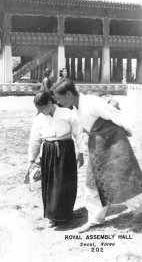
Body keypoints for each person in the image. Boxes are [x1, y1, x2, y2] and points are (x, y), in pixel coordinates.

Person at [52, 78, 142, 232]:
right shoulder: (76, 108)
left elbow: (115, 114)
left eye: (59, 98)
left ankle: (140, 209)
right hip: (97, 146)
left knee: (123, 177)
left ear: (68, 93)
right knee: (93, 182)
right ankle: (96, 219)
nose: (58, 102)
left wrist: (127, 130)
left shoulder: (92, 102)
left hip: (114, 142)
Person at [28, 91, 85, 227]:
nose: (41, 111)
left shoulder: (67, 113)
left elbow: (78, 132)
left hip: (66, 150)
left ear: (50, 103)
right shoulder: (39, 118)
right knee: (51, 184)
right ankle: (52, 216)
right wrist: (32, 158)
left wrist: (81, 152)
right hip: (48, 151)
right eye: (38, 109)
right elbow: (34, 139)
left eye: (42, 108)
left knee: (66, 183)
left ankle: (66, 213)